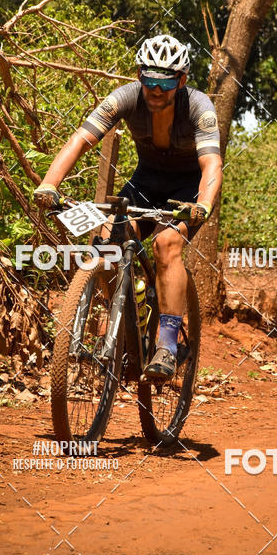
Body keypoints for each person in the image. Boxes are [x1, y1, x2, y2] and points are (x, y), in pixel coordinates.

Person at [34, 33, 223, 380]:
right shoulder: (125, 97)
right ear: (139, 76)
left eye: (164, 83)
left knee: (167, 245)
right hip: (145, 182)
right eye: (148, 80)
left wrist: (204, 204)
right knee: (107, 239)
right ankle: (127, 308)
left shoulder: (199, 107)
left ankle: (166, 345)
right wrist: (50, 183)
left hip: (187, 190)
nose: (154, 90)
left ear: (181, 81)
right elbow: (82, 139)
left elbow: (211, 164)